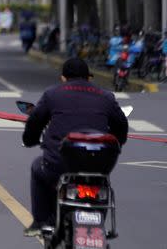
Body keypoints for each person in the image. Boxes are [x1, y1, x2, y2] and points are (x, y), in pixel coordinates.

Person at [21, 58, 129, 236]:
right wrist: (117, 143)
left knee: (37, 167)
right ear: (88, 77)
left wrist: (30, 139)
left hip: (59, 165)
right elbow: (121, 126)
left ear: (63, 78)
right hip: (98, 166)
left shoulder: (52, 94)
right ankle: (98, 226)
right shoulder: (106, 96)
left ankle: (40, 222)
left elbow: (35, 122)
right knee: (101, 185)